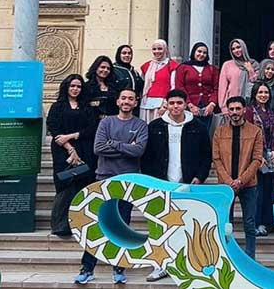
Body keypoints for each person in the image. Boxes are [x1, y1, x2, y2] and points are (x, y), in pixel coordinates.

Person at [74, 89, 148, 285]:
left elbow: (138, 151)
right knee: (97, 225)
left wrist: (113, 144)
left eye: (130, 99)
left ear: (135, 102)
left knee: (122, 227)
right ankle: (87, 268)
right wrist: (126, 147)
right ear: (117, 101)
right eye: (123, 98)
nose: (126, 101)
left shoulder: (140, 125)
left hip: (128, 181)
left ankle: (119, 268)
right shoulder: (106, 122)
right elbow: (98, 148)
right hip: (104, 179)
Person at [141, 89, 211, 281]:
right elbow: (147, 157)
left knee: (188, 225)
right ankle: (160, 265)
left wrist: (200, 176)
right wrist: (152, 181)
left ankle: (187, 265)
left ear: (186, 104)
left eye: (179, 103)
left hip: (188, 184)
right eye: (171, 103)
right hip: (161, 184)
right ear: (166, 104)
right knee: (159, 225)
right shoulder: (155, 126)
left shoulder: (197, 127)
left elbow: (206, 155)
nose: (175, 107)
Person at [212, 96, 263, 259]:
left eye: (238, 108)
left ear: (244, 110)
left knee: (249, 223)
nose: (234, 112)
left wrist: (241, 180)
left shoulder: (255, 131)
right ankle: (228, 257)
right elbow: (216, 159)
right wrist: (228, 181)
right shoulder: (220, 132)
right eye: (231, 109)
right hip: (225, 186)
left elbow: (257, 159)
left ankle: (250, 258)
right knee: (227, 223)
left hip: (248, 184)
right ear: (227, 111)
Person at [47, 74, 96, 237]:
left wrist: (72, 136)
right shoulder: (57, 107)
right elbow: (54, 128)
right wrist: (70, 149)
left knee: (83, 184)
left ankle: (80, 224)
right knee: (65, 184)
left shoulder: (87, 107)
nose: (75, 89)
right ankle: (61, 225)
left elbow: (91, 129)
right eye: (72, 86)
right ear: (66, 87)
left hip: (84, 148)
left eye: (79, 86)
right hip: (63, 151)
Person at [244, 82, 274, 237]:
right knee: (256, 192)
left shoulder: (272, 113)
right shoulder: (249, 112)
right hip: (255, 156)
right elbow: (247, 135)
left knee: (269, 191)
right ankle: (256, 223)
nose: (263, 95)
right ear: (254, 94)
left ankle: (267, 223)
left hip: (270, 157)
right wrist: (258, 156)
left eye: (266, 92)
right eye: (260, 92)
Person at [174, 42, 219, 129]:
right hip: (188, 106)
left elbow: (216, 88)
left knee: (205, 132)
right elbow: (180, 87)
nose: (201, 54)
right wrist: (189, 104)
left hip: (207, 107)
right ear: (194, 52)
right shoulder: (183, 67)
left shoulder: (212, 69)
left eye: (204, 53)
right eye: (199, 51)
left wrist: (212, 104)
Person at [140, 39, 178, 123]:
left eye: (160, 49)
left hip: (162, 104)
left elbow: (173, 87)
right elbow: (142, 85)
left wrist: (166, 105)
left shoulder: (172, 65)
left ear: (165, 49)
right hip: (146, 103)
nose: (157, 51)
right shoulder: (146, 66)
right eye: (154, 49)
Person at [218, 39, 259, 114]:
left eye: (238, 47)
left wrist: (250, 70)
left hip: (250, 106)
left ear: (243, 47)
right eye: (233, 49)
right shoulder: (227, 65)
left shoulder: (254, 64)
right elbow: (222, 88)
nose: (236, 50)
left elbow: (256, 84)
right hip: (232, 106)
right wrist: (223, 107)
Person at [84, 55, 119, 122]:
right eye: (102, 67)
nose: (105, 70)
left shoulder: (114, 87)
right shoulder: (86, 86)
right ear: (95, 68)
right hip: (91, 122)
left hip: (111, 123)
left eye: (108, 68)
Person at [112, 44, 145, 116]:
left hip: (134, 109)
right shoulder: (113, 70)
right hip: (118, 109)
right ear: (119, 55)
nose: (127, 55)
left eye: (129, 53)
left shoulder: (134, 72)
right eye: (124, 53)